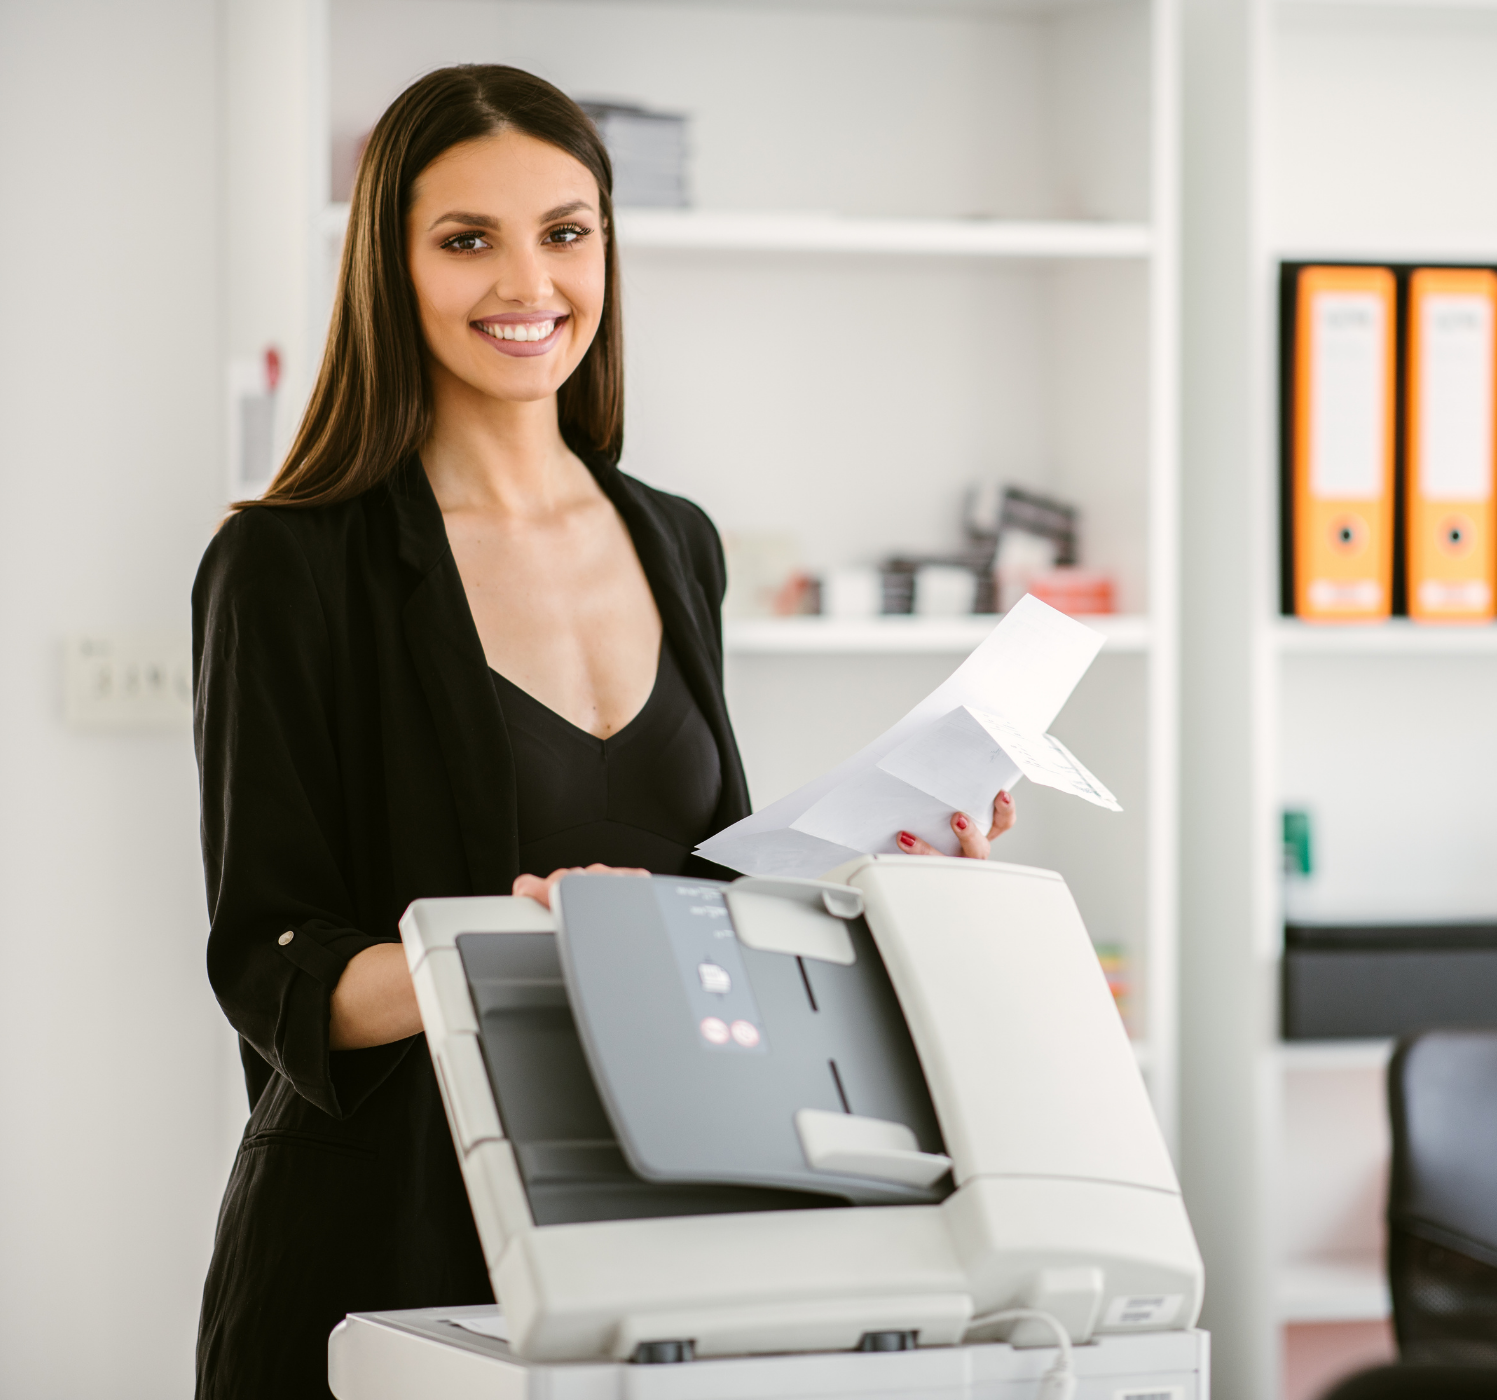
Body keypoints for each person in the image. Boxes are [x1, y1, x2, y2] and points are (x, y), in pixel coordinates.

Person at [190, 64, 1014, 1398]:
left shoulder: (672, 540)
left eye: (567, 233)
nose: (530, 285)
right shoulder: (290, 567)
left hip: (659, 1221)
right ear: (390, 267)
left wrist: (889, 878)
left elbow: (702, 899)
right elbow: (268, 967)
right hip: (392, 1233)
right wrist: (515, 947)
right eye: (469, 241)